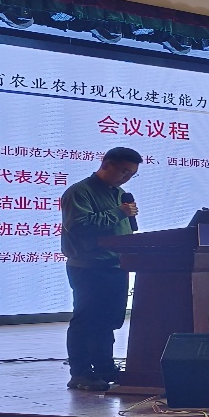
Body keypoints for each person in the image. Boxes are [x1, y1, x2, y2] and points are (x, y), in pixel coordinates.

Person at [59, 146, 142, 390]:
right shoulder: (79, 192)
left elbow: (124, 229)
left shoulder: (120, 194)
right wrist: (119, 212)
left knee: (108, 322)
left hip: (117, 266)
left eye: (132, 174)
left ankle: (105, 368)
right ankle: (80, 373)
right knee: (87, 320)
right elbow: (80, 226)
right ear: (106, 164)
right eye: (124, 171)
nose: (126, 178)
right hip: (89, 267)